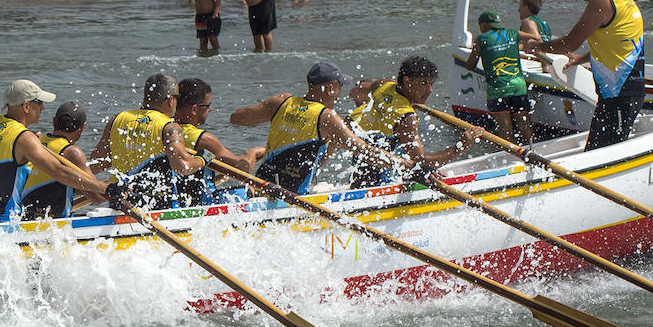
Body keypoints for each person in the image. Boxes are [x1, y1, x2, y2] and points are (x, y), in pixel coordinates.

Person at [230, 61, 408, 193]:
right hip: (291, 198)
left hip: (261, 185)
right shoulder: (327, 117)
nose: (339, 96)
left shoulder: (282, 101)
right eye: (338, 89)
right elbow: (365, 151)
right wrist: (409, 167)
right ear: (330, 88)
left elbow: (236, 118)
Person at [526, 0, 646, 150]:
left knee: (601, 155)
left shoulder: (602, 1)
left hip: (618, 95)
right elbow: (617, 45)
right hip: (627, 93)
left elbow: (570, 43)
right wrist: (581, 59)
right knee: (604, 149)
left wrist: (538, 47)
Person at [0, 79, 110, 223]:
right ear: (26, 106)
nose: (43, 108)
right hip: (3, 226)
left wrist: (30, 145)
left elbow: (2, 158)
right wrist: (104, 187)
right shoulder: (24, 139)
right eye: (39, 103)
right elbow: (59, 172)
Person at [348, 56, 481, 187]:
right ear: (407, 81)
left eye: (431, 84)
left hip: (360, 160)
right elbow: (420, 161)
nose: (430, 90)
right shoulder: (406, 117)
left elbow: (354, 93)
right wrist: (460, 147)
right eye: (423, 83)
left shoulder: (384, 85)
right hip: (380, 175)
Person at [89, 73, 209, 209]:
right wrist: (203, 158)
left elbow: (97, 163)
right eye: (177, 97)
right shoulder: (170, 127)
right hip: (156, 205)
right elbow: (183, 167)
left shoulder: (117, 119)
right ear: (170, 100)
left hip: (120, 202)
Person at [171, 77, 262, 206]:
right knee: (247, 190)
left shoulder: (165, 130)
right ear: (194, 109)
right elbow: (242, 169)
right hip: (202, 204)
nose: (210, 109)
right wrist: (254, 153)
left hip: (175, 200)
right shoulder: (203, 139)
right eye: (207, 105)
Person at [466, 9, 533, 144]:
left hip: (497, 89)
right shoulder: (513, 33)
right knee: (525, 127)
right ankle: (532, 150)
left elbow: (470, 66)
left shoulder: (481, 39)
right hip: (518, 86)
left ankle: (509, 157)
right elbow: (536, 38)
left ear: (484, 25)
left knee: (505, 134)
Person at [19, 101, 93, 219]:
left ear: (54, 121)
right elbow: (96, 197)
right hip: (55, 226)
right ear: (82, 128)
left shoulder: (35, 141)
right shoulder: (72, 152)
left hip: (23, 217)